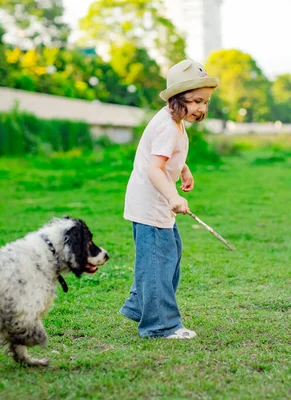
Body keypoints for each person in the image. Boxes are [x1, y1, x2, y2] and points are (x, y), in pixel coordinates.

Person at [120, 59, 219, 339]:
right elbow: (154, 168)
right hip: (150, 205)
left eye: (205, 102)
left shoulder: (174, 121)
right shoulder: (166, 125)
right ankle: (160, 325)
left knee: (168, 257)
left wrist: (183, 168)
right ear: (177, 98)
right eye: (196, 101)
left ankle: (141, 306)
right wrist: (173, 195)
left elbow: (166, 157)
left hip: (158, 205)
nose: (201, 108)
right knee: (157, 264)